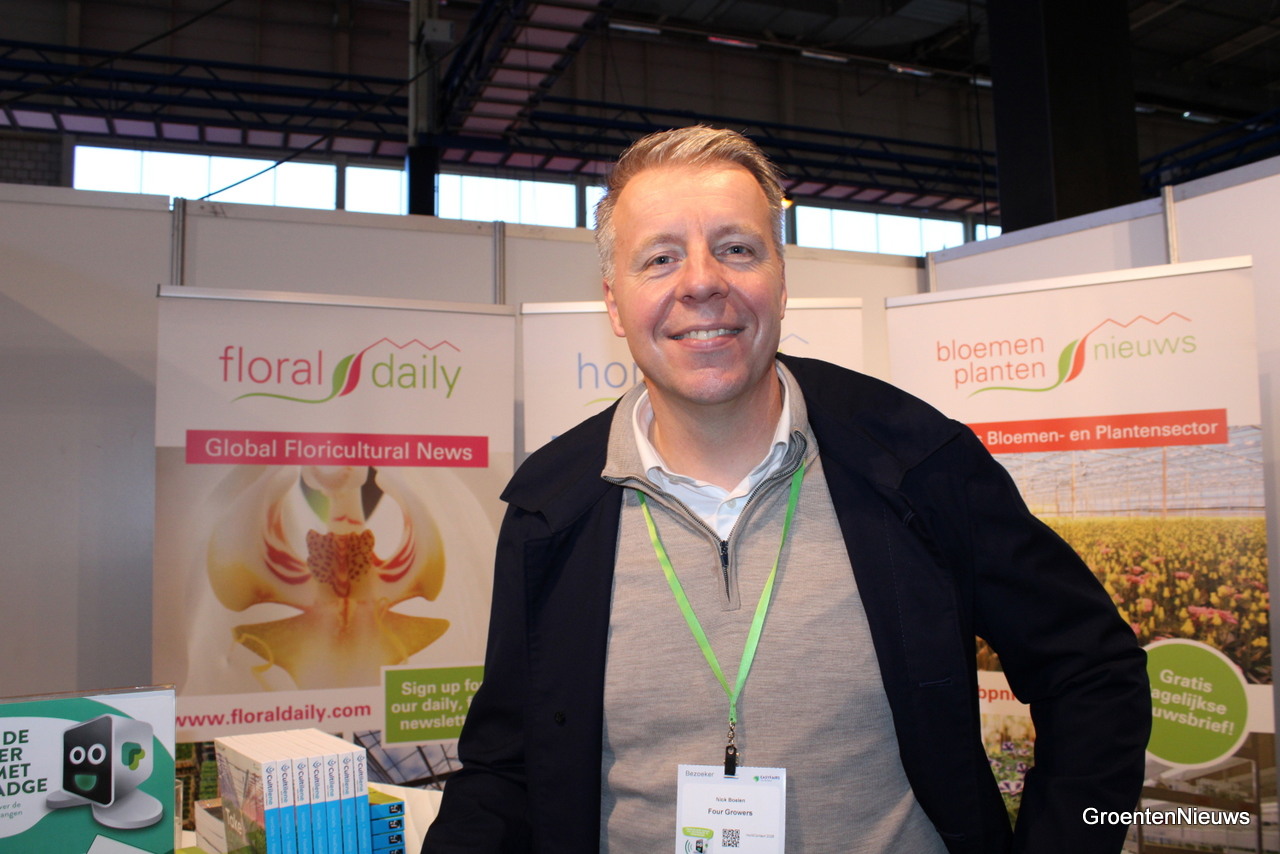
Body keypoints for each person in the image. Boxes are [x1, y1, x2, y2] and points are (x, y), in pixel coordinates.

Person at [421, 126, 1151, 853]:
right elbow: (506, 769)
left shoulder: (919, 463)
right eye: (661, 258)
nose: (702, 282)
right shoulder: (550, 510)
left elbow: (1093, 671)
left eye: (737, 249)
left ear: (780, 281)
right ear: (615, 303)